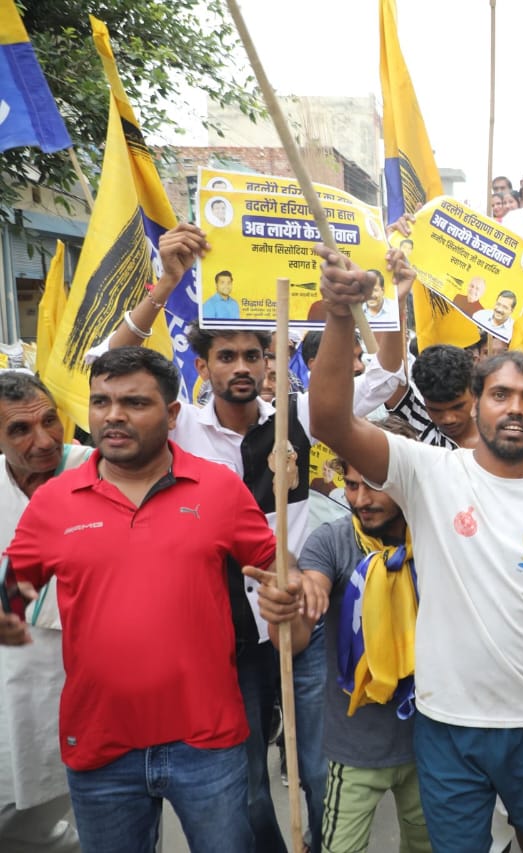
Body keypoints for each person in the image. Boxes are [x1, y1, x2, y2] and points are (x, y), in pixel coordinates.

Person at [305, 245, 523, 851]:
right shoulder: (427, 472)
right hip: (446, 727)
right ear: (476, 404)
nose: (516, 408)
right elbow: (328, 420)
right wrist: (339, 315)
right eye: (501, 394)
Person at [102, 221, 410, 851]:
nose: (242, 367)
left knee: (321, 772)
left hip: (303, 621)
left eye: (254, 355)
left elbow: (385, 375)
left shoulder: (301, 415)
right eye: (227, 356)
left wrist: (384, 298)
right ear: (202, 365)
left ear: (270, 362)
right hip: (220, 632)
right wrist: (165, 283)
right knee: (242, 784)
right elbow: (107, 367)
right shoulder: (177, 428)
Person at [0, 348, 289, 852]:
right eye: (101, 401)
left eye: (134, 402)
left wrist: (292, 587)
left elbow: (276, 565)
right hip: (100, 748)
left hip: (209, 744)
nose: (113, 415)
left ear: (172, 415)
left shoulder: (219, 487)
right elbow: (10, 597)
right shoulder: (52, 502)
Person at [256, 418, 431, 853]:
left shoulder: (439, 540)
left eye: (373, 485)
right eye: (351, 486)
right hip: (353, 750)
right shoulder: (332, 540)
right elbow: (295, 636)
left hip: (432, 746)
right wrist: (291, 605)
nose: (360, 500)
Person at [0, 372, 90, 852]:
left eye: (50, 421)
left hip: (93, 665)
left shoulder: (97, 469)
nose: (43, 441)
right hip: (12, 676)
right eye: (19, 430)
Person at [387, 344, 481, 448]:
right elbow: (388, 373)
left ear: (474, 393)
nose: (448, 419)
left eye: (457, 407)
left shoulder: (497, 439)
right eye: (436, 410)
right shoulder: (421, 423)